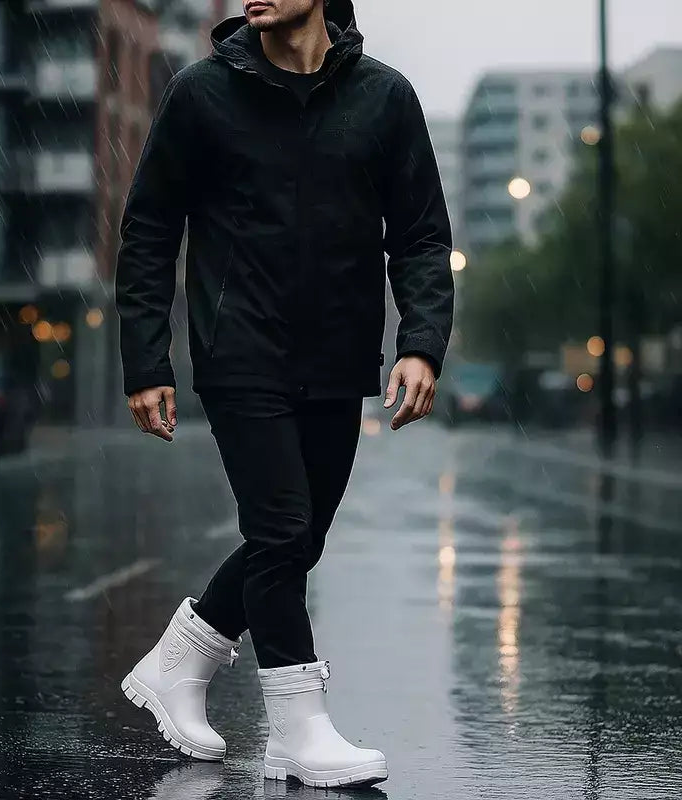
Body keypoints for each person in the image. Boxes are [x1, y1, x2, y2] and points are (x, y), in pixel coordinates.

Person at [115, 0, 453, 789]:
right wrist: (147, 360)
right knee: (281, 530)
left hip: (339, 357)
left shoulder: (385, 98)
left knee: (297, 539)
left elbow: (420, 236)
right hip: (239, 350)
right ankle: (299, 730)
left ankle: (179, 662)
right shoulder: (201, 94)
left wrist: (420, 344)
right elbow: (150, 229)